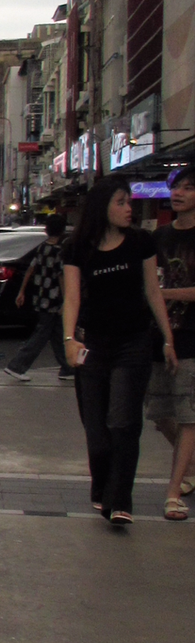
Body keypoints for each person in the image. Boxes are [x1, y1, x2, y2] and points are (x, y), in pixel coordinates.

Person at [62, 176, 175, 525]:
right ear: (103, 206)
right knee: (96, 429)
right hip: (93, 343)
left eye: (130, 202)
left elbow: (153, 292)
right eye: (121, 202)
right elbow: (72, 298)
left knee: (124, 422)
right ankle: (102, 487)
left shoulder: (140, 242)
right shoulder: (77, 247)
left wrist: (168, 339)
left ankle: (120, 500)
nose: (129, 209)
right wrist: (69, 340)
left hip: (133, 342)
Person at [145, 162, 195, 518]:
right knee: (161, 414)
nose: (178, 193)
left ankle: (174, 492)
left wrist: (162, 294)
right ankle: (190, 465)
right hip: (158, 336)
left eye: (188, 187)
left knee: (188, 415)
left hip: (192, 338)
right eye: (176, 186)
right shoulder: (158, 237)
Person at [3, 212, 70, 383]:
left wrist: (21, 291)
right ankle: (17, 366)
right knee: (41, 335)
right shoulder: (59, 252)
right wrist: (66, 300)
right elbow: (61, 277)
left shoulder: (41, 248)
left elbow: (31, 270)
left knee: (57, 334)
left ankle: (68, 368)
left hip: (40, 296)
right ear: (62, 231)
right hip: (53, 299)